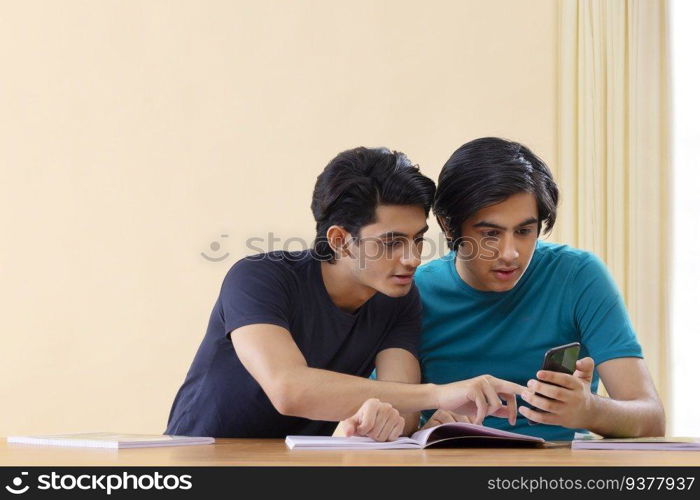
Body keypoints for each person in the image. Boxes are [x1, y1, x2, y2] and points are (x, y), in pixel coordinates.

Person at [165, 146, 525, 440]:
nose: (413, 258)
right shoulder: (259, 278)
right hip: (204, 457)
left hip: (304, 464)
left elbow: (402, 406)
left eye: (417, 239)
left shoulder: (398, 297)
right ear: (340, 240)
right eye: (393, 242)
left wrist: (396, 421)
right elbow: (289, 389)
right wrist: (440, 394)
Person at [415, 137, 665, 440]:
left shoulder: (579, 277)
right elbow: (381, 415)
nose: (510, 253)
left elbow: (651, 419)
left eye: (524, 231)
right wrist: (419, 431)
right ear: (449, 225)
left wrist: (590, 410)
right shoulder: (415, 291)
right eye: (491, 234)